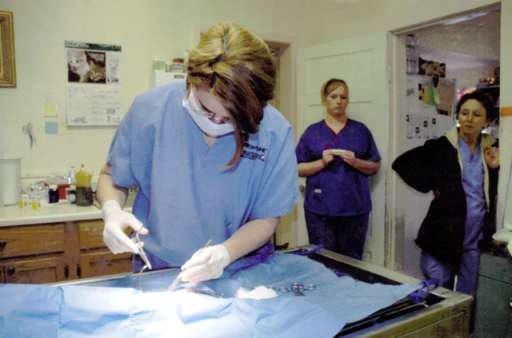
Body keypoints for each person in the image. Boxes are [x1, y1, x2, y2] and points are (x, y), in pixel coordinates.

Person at [96, 22, 298, 284]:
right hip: (161, 271)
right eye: (206, 109)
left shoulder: (274, 131)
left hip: (242, 272)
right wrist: (112, 212)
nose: (216, 121)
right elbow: (112, 176)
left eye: (230, 117)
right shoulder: (150, 110)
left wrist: (226, 253)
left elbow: (267, 216)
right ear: (191, 81)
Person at [392, 91, 499, 295]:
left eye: (476, 114)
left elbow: (496, 191)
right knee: (440, 292)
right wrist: (433, 185)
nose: (469, 118)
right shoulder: (441, 147)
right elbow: (402, 163)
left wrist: (495, 168)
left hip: (474, 238)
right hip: (442, 234)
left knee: (468, 296)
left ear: (487, 120)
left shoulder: (491, 148)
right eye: (464, 113)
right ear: (458, 116)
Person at [295, 78, 381, 260]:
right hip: (320, 211)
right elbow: (298, 168)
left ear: (347, 101)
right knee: (322, 260)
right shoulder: (313, 132)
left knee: (351, 262)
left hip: (354, 210)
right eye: (333, 96)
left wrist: (356, 162)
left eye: (343, 97)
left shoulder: (360, 130)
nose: (339, 101)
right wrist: (322, 162)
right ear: (324, 99)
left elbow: (375, 166)